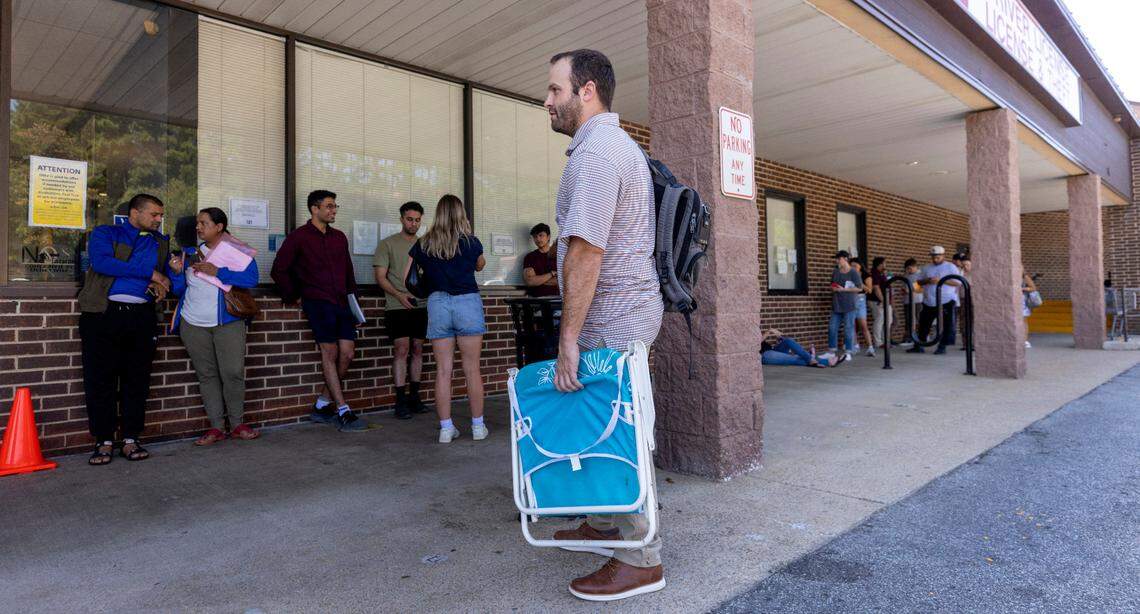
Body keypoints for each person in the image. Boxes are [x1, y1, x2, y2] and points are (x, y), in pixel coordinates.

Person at [542, 48, 666, 602]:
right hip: (613, 311)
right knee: (604, 422)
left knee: (627, 430)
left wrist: (568, 340)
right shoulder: (604, 146)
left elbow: (586, 251)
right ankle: (603, 521)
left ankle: (641, 558)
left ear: (585, 90)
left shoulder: (598, 153)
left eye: (554, 91)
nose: (547, 101)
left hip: (615, 315)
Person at [77, 193, 172, 465]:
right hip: (103, 315)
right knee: (100, 379)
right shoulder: (106, 233)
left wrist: (170, 275)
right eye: (153, 214)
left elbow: (169, 278)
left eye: (160, 215)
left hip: (141, 316)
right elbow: (103, 263)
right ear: (135, 213)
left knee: (137, 380)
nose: (158, 219)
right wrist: (151, 274)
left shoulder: (159, 242)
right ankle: (103, 441)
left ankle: (131, 439)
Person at [270, 190, 367, 432]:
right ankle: (343, 410)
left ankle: (323, 404)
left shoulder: (339, 237)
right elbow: (279, 270)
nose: (334, 210)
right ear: (314, 209)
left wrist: (355, 306)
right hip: (318, 303)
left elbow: (349, 273)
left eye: (335, 206)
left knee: (347, 354)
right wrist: (295, 295)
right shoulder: (298, 237)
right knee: (330, 351)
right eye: (329, 206)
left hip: (342, 304)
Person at [168, 208, 260, 445]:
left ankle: (237, 423)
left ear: (219, 227)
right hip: (193, 323)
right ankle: (217, 427)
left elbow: (252, 279)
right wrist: (177, 274)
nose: (198, 227)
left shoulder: (236, 251)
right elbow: (178, 290)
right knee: (207, 375)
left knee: (233, 372)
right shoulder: (189, 254)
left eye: (204, 223)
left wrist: (218, 271)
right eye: (197, 223)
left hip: (227, 322)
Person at [405, 194, 488, 444]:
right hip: (467, 303)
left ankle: (445, 429)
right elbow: (480, 265)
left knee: (444, 371)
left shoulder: (425, 242)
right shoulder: (470, 242)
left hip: (437, 303)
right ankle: (477, 427)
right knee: (472, 369)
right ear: (461, 214)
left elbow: (404, 273)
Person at [374, 202, 431, 420]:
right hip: (397, 306)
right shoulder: (387, 244)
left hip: (421, 305)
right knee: (401, 349)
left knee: (418, 348)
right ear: (401, 219)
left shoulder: (425, 246)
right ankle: (400, 401)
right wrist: (399, 295)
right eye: (409, 219)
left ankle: (414, 398)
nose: (413, 223)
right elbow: (380, 277)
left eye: (417, 220)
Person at [908, 245, 960, 355]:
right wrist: (926, 281)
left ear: (943, 256)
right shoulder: (926, 267)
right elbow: (917, 283)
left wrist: (941, 281)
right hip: (929, 301)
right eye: (933, 257)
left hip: (946, 300)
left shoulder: (951, 267)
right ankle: (919, 345)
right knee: (923, 323)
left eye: (937, 257)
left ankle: (942, 347)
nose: (935, 259)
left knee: (946, 324)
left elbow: (958, 283)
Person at [820, 251, 863, 366]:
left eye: (838, 259)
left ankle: (848, 352)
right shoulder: (836, 272)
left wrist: (844, 290)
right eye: (836, 259)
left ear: (845, 259)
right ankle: (831, 351)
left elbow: (859, 288)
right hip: (837, 304)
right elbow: (832, 284)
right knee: (832, 327)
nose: (837, 261)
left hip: (850, 305)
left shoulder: (853, 272)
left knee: (848, 329)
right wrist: (833, 288)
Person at [760, 328, 845, 367]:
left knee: (788, 340)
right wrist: (769, 331)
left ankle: (810, 358)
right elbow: (755, 344)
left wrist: (779, 338)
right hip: (765, 355)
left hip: (773, 350)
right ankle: (825, 361)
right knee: (793, 359)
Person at [523, 223, 559, 297]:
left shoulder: (559, 256)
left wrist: (538, 279)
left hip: (557, 300)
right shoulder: (530, 257)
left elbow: (562, 281)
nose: (538, 239)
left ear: (548, 237)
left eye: (541, 235)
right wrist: (551, 274)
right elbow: (530, 281)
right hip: (537, 300)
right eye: (535, 237)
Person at [850, 257, 876, 357]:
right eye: (851, 266)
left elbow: (869, 290)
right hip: (850, 299)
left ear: (860, 266)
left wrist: (860, 283)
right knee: (851, 324)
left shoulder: (866, 275)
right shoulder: (849, 274)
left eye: (855, 266)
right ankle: (855, 346)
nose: (853, 268)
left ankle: (870, 348)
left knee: (863, 325)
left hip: (860, 299)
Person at [868, 256, 892, 350]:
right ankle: (878, 342)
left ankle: (885, 341)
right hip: (877, 301)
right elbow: (876, 288)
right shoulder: (875, 273)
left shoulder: (881, 273)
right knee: (879, 320)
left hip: (884, 301)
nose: (885, 265)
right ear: (880, 264)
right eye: (884, 263)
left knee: (888, 320)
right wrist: (883, 300)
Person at [901, 258, 922, 345]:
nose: (908, 270)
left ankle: (916, 338)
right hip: (907, 301)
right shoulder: (906, 275)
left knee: (916, 319)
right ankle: (909, 337)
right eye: (907, 269)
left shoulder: (919, 275)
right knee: (908, 319)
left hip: (916, 301)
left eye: (910, 268)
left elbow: (921, 289)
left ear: (915, 266)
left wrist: (909, 291)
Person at [1022, 269, 1037, 349]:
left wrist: (1022, 289)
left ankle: (1025, 341)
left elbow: (1033, 288)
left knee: (1023, 320)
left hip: (1022, 302)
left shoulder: (1024, 277)